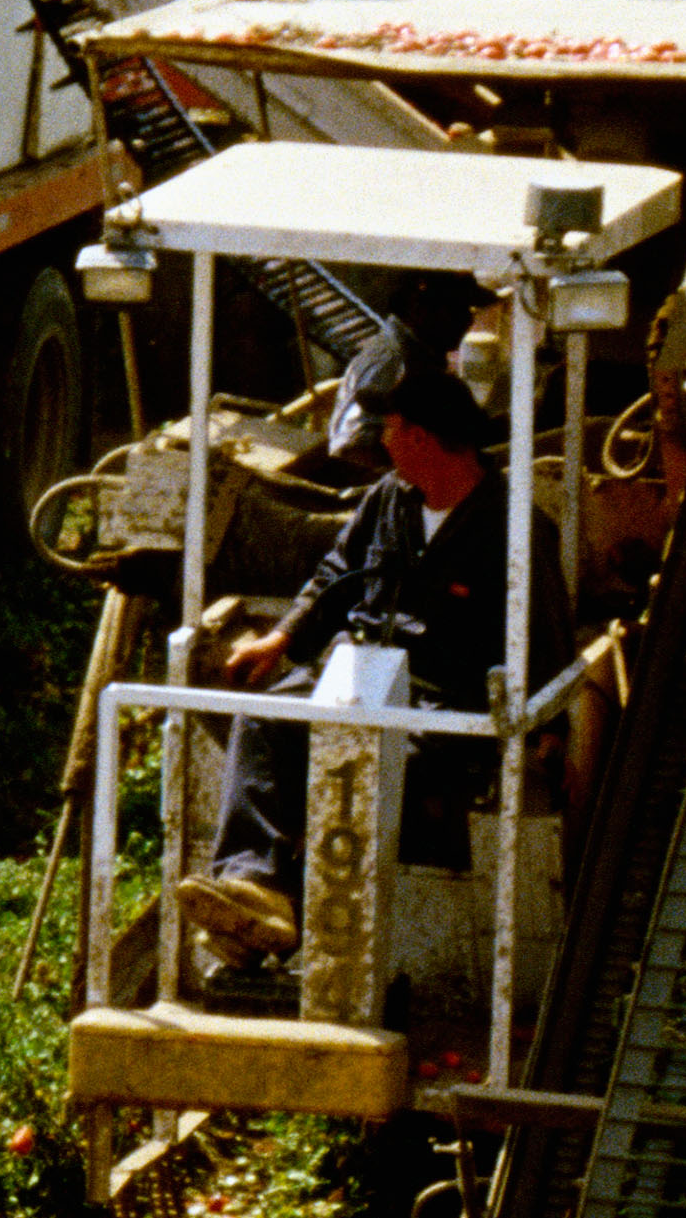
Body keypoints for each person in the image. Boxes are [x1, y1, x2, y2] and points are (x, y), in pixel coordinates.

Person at [150, 334, 534, 996]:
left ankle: (272, 920)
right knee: (268, 720)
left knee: (353, 767)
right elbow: (336, 577)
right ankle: (253, 885)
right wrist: (283, 642)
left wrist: (542, 732)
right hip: (354, 678)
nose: (382, 444)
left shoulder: (512, 528)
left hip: (439, 712)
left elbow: (542, 630)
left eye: (390, 432)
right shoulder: (389, 499)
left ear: (422, 437)